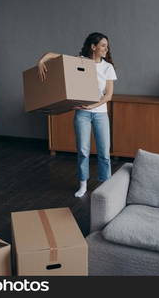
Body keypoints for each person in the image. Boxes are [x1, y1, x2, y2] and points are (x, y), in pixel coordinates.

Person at [37, 32, 117, 197]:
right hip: (82, 114)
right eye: (102, 45)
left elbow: (108, 96)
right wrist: (41, 60)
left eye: (106, 46)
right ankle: (83, 185)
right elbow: (55, 56)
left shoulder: (108, 67)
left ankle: (105, 186)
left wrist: (92, 106)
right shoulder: (81, 61)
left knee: (104, 153)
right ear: (93, 47)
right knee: (83, 150)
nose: (106, 49)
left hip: (100, 114)